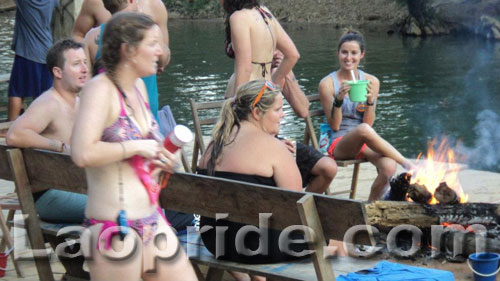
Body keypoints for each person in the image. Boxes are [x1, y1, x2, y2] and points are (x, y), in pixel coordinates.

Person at [71, 13, 196, 280]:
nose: (160, 52)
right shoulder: (99, 89)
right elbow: (82, 153)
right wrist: (136, 147)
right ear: (128, 50)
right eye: (152, 43)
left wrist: (164, 160)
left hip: (153, 219)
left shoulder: (138, 87)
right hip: (115, 228)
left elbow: (142, 152)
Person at [198, 79, 309, 281]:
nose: (282, 115)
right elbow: (297, 206)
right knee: (337, 242)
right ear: (257, 113)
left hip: (216, 242)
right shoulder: (274, 148)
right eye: (278, 110)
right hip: (258, 247)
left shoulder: (213, 144)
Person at [318, 30, 414, 201]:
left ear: (362, 55)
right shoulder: (327, 84)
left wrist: (370, 101)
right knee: (362, 130)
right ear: (338, 53)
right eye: (344, 52)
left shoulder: (372, 82)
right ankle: (406, 162)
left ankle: (369, 208)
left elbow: (368, 123)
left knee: (389, 167)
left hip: (365, 140)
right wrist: (338, 100)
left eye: (354, 53)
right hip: (340, 143)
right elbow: (334, 126)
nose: (348, 57)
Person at [6, 39, 89, 223]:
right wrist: (58, 146)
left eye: (85, 62)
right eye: (76, 64)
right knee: (118, 208)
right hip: (49, 197)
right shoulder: (49, 103)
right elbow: (14, 135)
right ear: (57, 72)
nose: (84, 69)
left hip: (76, 188)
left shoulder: (80, 102)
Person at [79, 0, 171, 120]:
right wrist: (154, 34)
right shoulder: (147, 33)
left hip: (105, 118)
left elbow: (84, 85)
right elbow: (163, 60)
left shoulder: (91, 38)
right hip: (145, 117)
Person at [270, 50, 337, 194]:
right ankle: (295, 208)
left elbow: (303, 110)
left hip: (277, 141)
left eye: (277, 48)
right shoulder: (249, 73)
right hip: (257, 144)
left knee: (328, 168)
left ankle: (303, 207)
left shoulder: (279, 71)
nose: (275, 52)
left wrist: (285, 71)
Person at [220, 0, 300, 98]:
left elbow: (245, 68)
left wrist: (237, 104)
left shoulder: (238, 18)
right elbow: (293, 55)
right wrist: (273, 85)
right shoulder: (265, 13)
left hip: (247, 94)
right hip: (266, 95)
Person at [7, 0, 59, 121]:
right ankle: (41, 126)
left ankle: (10, 126)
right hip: (47, 50)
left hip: (28, 51)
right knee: (43, 93)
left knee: (17, 91)